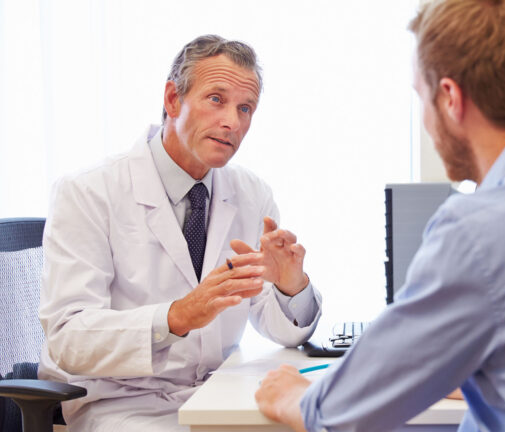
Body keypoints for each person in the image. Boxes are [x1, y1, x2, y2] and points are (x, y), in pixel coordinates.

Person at [255, 0, 505, 430]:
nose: (425, 121)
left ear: (449, 98)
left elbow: (340, 414)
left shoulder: (478, 230)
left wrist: (292, 394)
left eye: (420, 99)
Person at [38, 34, 322, 431]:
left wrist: (291, 287)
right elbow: (68, 338)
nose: (232, 122)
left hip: (218, 396)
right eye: (216, 99)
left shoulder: (252, 193)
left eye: (246, 108)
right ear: (173, 99)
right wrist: (177, 317)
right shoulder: (88, 191)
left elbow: (278, 330)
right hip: (122, 405)